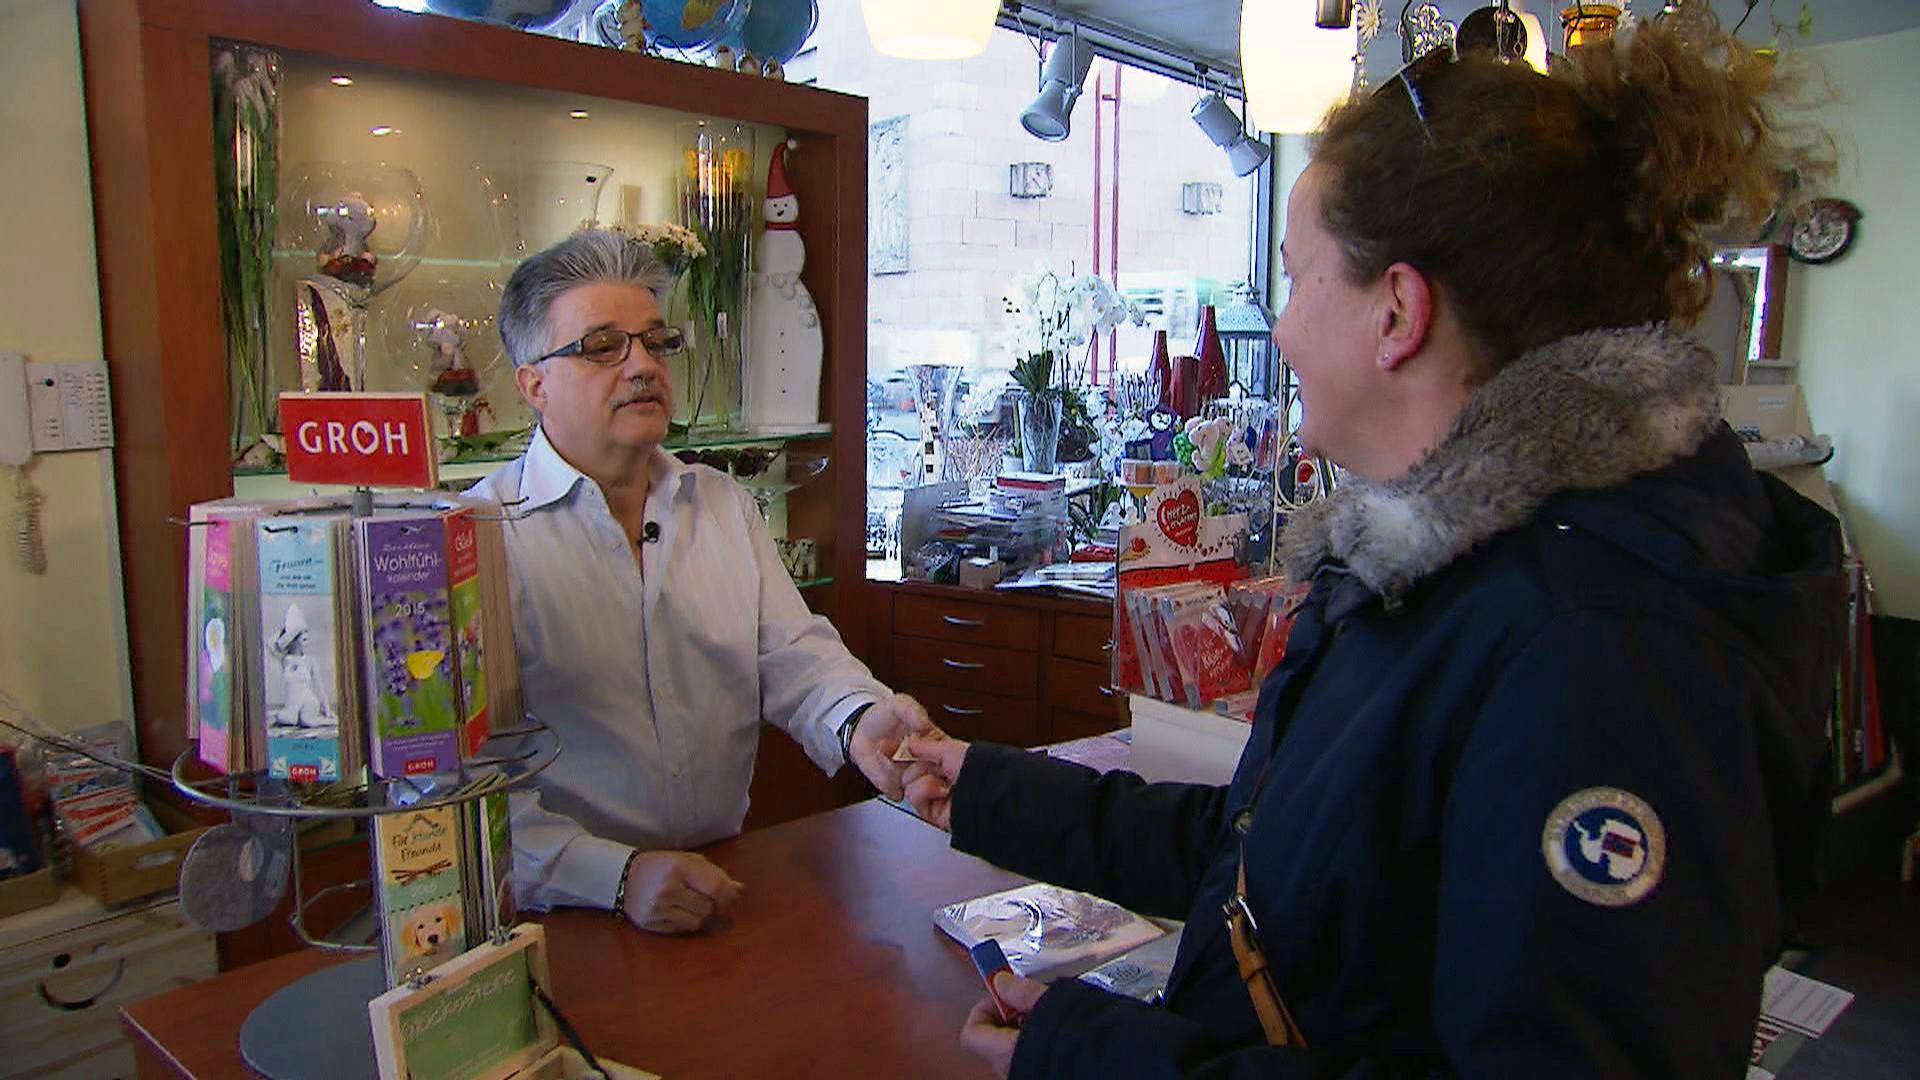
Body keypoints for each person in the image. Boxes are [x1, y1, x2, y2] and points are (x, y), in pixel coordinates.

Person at [903, 19, 1841, 1078]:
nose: (1286, 331)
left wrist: (1089, 1060)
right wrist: (989, 789)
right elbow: (1286, 855)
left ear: (1398, 311)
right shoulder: (1440, 573)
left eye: (1300, 280)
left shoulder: (1596, 648)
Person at [469, 230, 930, 934]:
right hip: (562, 913)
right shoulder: (479, 537)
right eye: (603, 347)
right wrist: (615, 876)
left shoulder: (720, 505)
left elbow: (794, 656)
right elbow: (466, 786)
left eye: (656, 343)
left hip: (717, 886)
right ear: (533, 383)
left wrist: (860, 719)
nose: (642, 366)